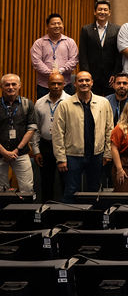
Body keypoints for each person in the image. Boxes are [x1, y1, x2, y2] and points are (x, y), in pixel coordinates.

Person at [53, 71, 114, 201]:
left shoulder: (103, 102)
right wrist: (60, 158)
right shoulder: (64, 105)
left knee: (94, 190)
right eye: (80, 80)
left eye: (87, 80)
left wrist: (108, 153)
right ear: (75, 84)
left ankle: (92, 219)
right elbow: (58, 133)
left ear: (92, 82)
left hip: (96, 155)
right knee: (70, 190)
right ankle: (70, 219)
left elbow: (109, 129)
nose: (84, 83)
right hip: (72, 156)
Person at [32, 72, 71, 201]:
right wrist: (36, 150)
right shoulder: (39, 103)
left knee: (66, 182)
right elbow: (35, 128)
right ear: (47, 84)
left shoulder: (71, 101)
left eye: (59, 83)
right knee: (46, 181)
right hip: (46, 145)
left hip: (65, 147)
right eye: (53, 83)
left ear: (64, 84)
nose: (56, 86)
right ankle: (46, 213)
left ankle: (65, 213)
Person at [0, 74, 37, 195]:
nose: (10, 87)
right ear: (2, 86)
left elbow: (31, 128)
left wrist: (17, 150)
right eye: (7, 85)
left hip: (21, 153)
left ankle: (25, 214)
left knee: (27, 189)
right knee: (1, 190)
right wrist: (4, 152)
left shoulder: (27, 104)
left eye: (14, 84)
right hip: (0, 153)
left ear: (19, 86)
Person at [30, 13, 79, 97]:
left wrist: (60, 71)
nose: (57, 26)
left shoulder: (70, 42)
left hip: (65, 85)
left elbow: (74, 60)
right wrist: (51, 73)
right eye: (53, 24)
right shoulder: (39, 43)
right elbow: (36, 62)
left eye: (59, 23)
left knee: (67, 109)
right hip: (44, 86)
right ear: (47, 27)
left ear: (63, 25)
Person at [79, 0, 120, 96]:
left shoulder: (117, 29)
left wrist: (115, 74)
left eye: (105, 10)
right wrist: (87, 75)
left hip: (110, 77)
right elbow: (83, 54)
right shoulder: (86, 30)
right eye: (100, 9)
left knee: (109, 102)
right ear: (94, 12)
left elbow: (119, 55)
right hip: (92, 75)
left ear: (109, 12)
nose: (102, 12)